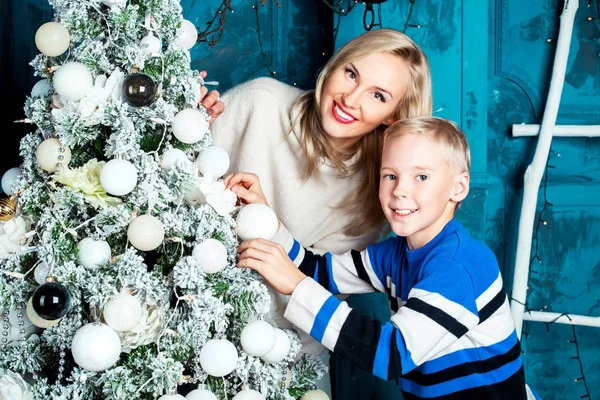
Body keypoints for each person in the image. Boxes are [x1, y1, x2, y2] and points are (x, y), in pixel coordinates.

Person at [231, 117, 529, 399]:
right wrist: (266, 221)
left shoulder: (460, 266)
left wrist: (296, 288)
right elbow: (318, 270)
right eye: (390, 175)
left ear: (458, 187)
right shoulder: (396, 253)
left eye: (421, 176)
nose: (399, 190)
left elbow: (391, 355)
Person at [210, 29, 432, 397]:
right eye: (351, 74)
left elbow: (316, 289)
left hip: (282, 351)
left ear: (392, 117)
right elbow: (175, 182)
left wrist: (266, 225)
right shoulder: (260, 102)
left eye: (377, 96)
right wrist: (193, 119)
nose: (351, 99)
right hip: (189, 311)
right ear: (333, 67)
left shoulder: (374, 192)